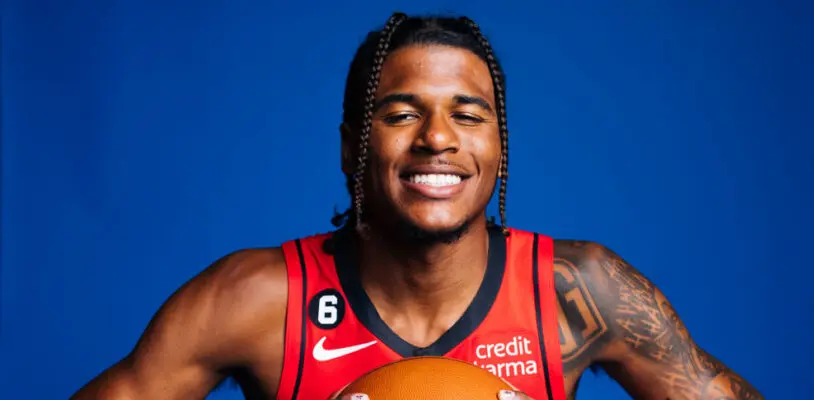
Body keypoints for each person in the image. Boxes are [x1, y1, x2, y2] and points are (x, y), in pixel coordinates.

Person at [71, 12, 763, 400]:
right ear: (350, 149)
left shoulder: (575, 294)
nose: (437, 139)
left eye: (468, 115)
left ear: (499, 146)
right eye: (402, 114)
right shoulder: (261, 301)